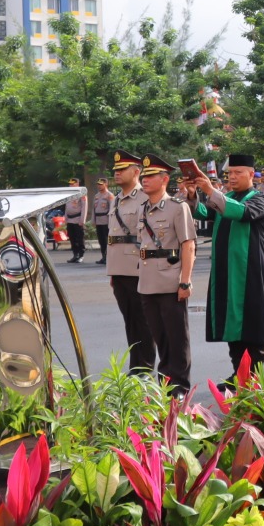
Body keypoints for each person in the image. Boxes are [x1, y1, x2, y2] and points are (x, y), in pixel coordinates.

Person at [188, 154, 264, 375]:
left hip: (248, 273)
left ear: (251, 174)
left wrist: (210, 190)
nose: (232, 177)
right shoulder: (227, 197)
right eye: (230, 173)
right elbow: (204, 213)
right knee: (230, 326)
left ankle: (253, 376)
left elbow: (241, 212)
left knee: (251, 326)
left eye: (238, 173)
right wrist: (192, 194)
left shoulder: (259, 199)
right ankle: (239, 372)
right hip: (225, 271)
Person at [133, 155, 195, 395]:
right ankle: (166, 382)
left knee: (176, 336)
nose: (145, 180)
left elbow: (188, 245)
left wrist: (185, 280)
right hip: (147, 281)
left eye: (150, 176)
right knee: (159, 335)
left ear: (164, 180)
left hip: (170, 280)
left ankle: (180, 385)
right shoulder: (143, 209)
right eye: (144, 176)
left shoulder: (177, 208)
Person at [105, 150, 150, 359]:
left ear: (136, 172)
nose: (117, 173)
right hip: (119, 268)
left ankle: (143, 367)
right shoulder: (116, 200)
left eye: (122, 170)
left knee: (142, 321)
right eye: (115, 170)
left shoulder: (145, 198)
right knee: (130, 320)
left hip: (138, 268)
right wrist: (112, 271)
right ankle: (137, 364)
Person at [63, 178, 87, 262]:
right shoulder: (69, 194)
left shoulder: (81, 194)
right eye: (70, 184)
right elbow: (67, 207)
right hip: (70, 219)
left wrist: (82, 220)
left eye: (72, 184)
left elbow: (84, 207)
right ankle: (75, 254)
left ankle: (81, 255)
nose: (70, 185)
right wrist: (65, 218)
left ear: (77, 184)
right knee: (72, 238)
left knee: (79, 238)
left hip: (77, 219)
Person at [91, 178, 112, 265]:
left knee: (106, 239)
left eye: (101, 184)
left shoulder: (109, 195)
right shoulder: (97, 196)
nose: (99, 186)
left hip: (106, 220)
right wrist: (93, 220)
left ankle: (108, 257)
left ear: (106, 184)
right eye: (98, 184)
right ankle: (103, 256)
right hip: (99, 221)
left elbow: (112, 210)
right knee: (101, 240)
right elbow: (94, 209)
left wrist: (111, 222)